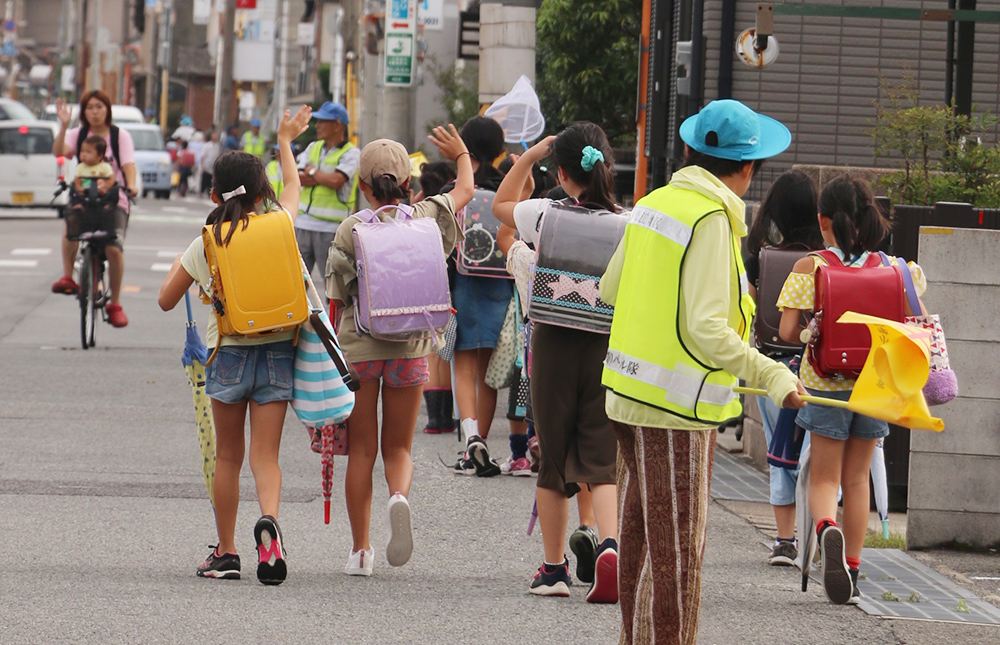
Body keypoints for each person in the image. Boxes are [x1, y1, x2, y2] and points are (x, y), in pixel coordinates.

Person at [599, 99, 806, 643]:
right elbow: (708, 329)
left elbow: (610, 289)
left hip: (626, 394)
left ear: (692, 150)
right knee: (675, 560)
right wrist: (775, 376)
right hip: (677, 408)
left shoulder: (653, 203)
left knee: (642, 544)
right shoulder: (711, 217)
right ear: (746, 167)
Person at [156, 104, 312, 585]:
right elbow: (295, 189)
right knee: (267, 456)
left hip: (228, 352)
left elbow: (165, 300)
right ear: (263, 190)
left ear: (212, 193)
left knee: (229, 457)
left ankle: (226, 552)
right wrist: (285, 140)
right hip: (278, 350)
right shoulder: (281, 223)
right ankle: (270, 526)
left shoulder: (210, 239)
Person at [325, 127, 474, 577]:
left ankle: (360, 551)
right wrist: (460, 152)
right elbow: (465, 188)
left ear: (363, 186)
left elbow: (338, 298)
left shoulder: (352, 228)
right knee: (399, 448)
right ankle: (399, 498)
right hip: (412, 347)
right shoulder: (427, 216)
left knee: (363, 449)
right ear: (409, 182)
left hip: (362, 348)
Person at [777, 174, 926, 605]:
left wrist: (810, 330)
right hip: (877, 380)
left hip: (827, 382)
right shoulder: (897, 269)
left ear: (823, 220)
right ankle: (855, 570)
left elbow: (788, 329)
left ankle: (826, 529)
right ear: (869, 217)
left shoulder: (811, 266)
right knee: (858, 478)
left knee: (824, 476)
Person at [493, 122, 622, 603]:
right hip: (606, 346)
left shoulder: (545, 213)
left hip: (552, 343)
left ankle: (553, 570)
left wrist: (529, 156)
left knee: (551, 456)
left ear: (562, 172)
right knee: (601, 458)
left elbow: (499, 206)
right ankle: (609, 546)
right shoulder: (628, 223)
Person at [744, 170, 824, 566]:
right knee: (820, 455)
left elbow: (749, 308)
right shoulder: (826, 261)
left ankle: (784, 541)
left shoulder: (760, 256)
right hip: (817, 369)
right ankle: (821, 533)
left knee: (780, 451)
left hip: (769, 366)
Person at [447, 116, 513, 478]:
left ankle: (471, 440)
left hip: (464, 282)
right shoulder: (506, 186)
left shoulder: (459, 188)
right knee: (489, 369)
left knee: (465, 364)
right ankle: (483, 437)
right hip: (501, 282)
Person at [51, 91, 139, 329]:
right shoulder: (76, 134)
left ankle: (115, 304)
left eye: (99, 106)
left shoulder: (120, 136)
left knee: (113, 247)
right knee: (71, 223)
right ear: (84, 111)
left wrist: (131, 186)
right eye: (89, 107)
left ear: (107, 109)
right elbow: (59, 151)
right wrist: (63, 125)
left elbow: (128, 165)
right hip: (83, 199)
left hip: (113, 199)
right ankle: (68, 276)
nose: (95, 111)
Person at [413, 161, 459, 435]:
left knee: (433, 352)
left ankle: (435, 418)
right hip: (452, 285)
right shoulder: (452, 210)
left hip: (426, 287)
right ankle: (446, 415)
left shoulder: (418, 212)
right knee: (446, 352)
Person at [297, 101, 360, 292]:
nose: (318, 126)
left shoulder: (352, 153)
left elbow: (337, 182)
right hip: (302, 225)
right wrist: (324, 176)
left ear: (337, 125)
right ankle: (297, 323)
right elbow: (299, 178)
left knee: (333, 289)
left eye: (323, 121)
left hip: (332, 229)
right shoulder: (313, 147)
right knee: (296, 285)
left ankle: (332, 323)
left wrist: (313, 171)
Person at [71, 135, 116, 205]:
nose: (84, 154)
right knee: (75, 195)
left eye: (88, 152)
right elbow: (77, 180)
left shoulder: (105, 166)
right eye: (82, 151)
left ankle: (107, 206)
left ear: (100, 155)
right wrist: (79, 188)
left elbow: (111, 179)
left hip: (100, 192)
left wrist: (105, 188)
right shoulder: (80, 167)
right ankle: (79, 205)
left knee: (110, 197)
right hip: (85, 192)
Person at [200, 131, 221, 197]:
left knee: (211, 180)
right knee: (204, 179)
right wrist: (202, 166)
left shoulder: (217, 146)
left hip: (213, 165)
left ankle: (209, 192)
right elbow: (202, 156)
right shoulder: (207, 145)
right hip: (206, 164)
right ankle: (201, 191)